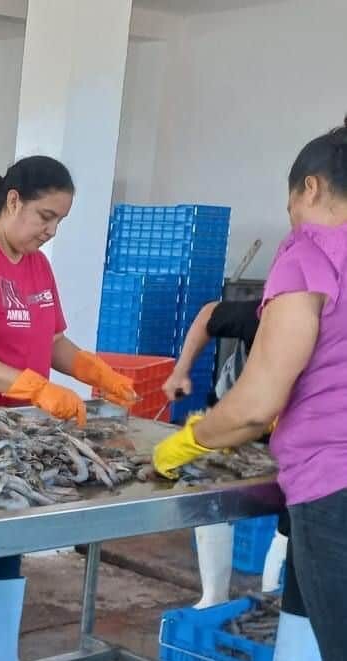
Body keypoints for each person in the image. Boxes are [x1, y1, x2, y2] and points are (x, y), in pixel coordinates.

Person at [0, 156, 137, 661]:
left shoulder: (37, 264)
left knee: (5, 545)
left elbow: (53, 339)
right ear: (13, 201)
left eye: (60, 220)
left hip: (14, 433)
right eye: (45, 216)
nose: (51, 230)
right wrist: (37, 389)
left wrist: (92, 370)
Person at [153, 115, 347, 660]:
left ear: (309, 187)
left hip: (333, 486)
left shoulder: (310, 252)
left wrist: (192, 438)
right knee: (303, 618)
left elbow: (255, 406)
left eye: (291, 203)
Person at [166, 301, 319, 658]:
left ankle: (273, 602)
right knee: (213, 492)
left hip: (300, 431)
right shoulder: (267, 314)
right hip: (238, 417)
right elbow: (207, 315)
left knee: (291, 522)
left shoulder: (328, 334)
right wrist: (181, 371)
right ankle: (214, 596)